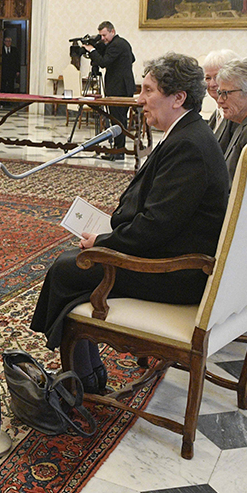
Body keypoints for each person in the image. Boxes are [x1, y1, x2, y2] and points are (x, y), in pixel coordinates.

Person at [30, 53, 229, 395]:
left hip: (178, 273)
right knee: (76, 266)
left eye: (148, 90)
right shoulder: (187, 132)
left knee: (69, 267)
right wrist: (110, 235)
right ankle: (85, 368)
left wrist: (104, 244)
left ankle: (84, 381)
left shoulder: (190, 146)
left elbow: (155, 226)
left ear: (178, 97)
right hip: (174, 250)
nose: (139, 99)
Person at [83, 21, 136, 159]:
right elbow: (132, 59)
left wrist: (92, 50)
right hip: (122, 86)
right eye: (100, 36)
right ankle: (118, 149)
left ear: (113, 31)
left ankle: (119, 151)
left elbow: (104, 62)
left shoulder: (117, 45)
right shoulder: (121, 43)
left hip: (119, 88)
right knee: (118, 119)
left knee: (118, 120)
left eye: (104, 35)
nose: (102, 38)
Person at [201, 49, 240, 151]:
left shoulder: (236, 117)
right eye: (208, 78)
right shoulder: (216, 114)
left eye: (217, 77)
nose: (212, 84)